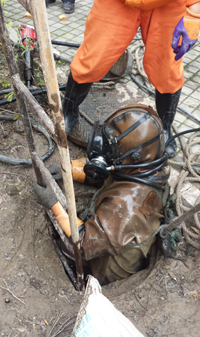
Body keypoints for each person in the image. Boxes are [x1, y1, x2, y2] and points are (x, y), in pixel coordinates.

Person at [33, 104, 170, 285]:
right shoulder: (146, 167)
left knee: (66, 247)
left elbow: (81, 244)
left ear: (134, 156)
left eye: (113, 146)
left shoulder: (128, 206)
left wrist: (54, 205)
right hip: (113, 233)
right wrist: (71, 169)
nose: (103, 148)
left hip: (106, 269)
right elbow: (109, 173)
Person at [62, 0, 200, 158]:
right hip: (118, 3)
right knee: (93, 59)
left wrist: (194, 14)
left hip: (168, 5)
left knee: (166, 69)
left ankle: (164, 127)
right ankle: (68, 111)